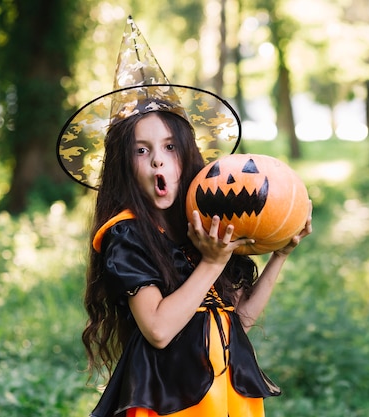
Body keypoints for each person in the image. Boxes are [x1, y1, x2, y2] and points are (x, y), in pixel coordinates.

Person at [56, 17, 312, 417]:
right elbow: (158, 329)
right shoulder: (127, 233)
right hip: (170, 402)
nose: (158, 158)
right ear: (126, 165)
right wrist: (213, 261)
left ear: (187, 156)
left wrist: (279, 254)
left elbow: (236, 321)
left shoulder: (198, 227)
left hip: (225, 394)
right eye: (142, 151)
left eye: (170, 146)